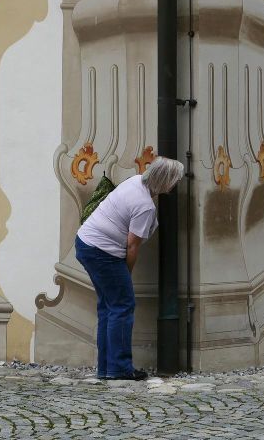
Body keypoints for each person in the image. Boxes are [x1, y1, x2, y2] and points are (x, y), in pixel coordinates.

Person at [75, 156, 185, 380]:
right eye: (175, 180)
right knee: (122, 305)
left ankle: (106, 368)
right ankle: (119, 368)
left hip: (86, 243)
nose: (175, 185)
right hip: (102, 252)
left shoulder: (134, 181)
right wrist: (126, 274)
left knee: (108, 307)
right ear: (166, 181)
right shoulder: (145, 206)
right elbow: (132, 246)